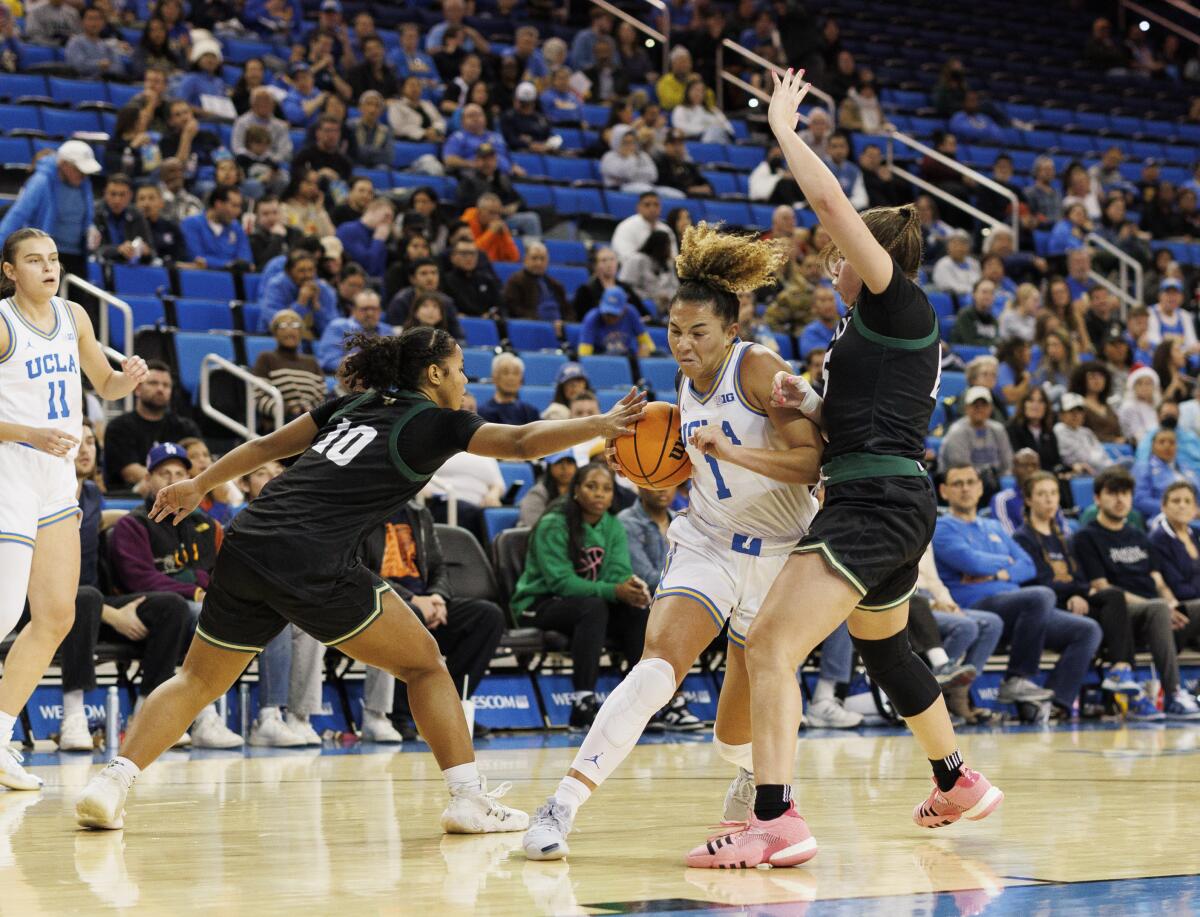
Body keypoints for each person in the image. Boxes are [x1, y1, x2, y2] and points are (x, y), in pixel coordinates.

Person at [74, 326, 646, 831]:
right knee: (424, 664)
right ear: (435, 373)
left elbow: (265, 447)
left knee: (196, 680)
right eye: (462, 370)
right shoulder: (436, 422)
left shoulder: (353, 404)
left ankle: (112, 782)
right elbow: (520, 443)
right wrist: (601, 424)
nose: (467, 378)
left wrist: (199, 486)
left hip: (250, 540)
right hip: (313, 554)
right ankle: (468, 800)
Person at [699, 69, 1000, 871]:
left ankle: (775, 818)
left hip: (872, 502)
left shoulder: (898, 302)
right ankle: (955, 777)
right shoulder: (863, 336)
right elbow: (854, 419)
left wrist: (786, 131)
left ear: (863, 257)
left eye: (837, 255)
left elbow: (833, 204)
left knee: (767, 646)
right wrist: (812, 397)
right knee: (887, 649)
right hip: (890, 495)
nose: (829, 261)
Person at [524, 221, 823, 862]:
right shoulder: (685, 384)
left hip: (778, 558)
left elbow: (809, 464)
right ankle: (560, 806)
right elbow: (696, 464)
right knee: (657, 670)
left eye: (698, 333)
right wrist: (643, 462)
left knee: (729, 737)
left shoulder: (761, 370)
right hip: (708, 541)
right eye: (673, 331)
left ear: (731, 331)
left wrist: (731, 448)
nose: (682, 345)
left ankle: (756, 781)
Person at [0, 230, 148, 787]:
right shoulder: (3, 321)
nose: (48, 268)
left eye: (54, 259)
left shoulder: (74, 316)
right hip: (9, 469)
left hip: (57, 478)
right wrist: (28, 434)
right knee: (3, 612)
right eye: (34, 260)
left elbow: (104, 385)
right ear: (10, 270)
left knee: (58, 615)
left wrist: (126, 380)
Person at [360, 502, 506, 741]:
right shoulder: (362, 513)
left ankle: (446, 708)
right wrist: (413, 599)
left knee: (488, 616)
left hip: (426, 603)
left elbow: (438, 566)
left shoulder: (419, 514)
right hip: (385, 602)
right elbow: (363, 570)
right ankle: (401, 715)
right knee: (408, 614)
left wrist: (437, 597)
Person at [1072, 467, 1200, 719]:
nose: (1120, 500)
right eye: (1112, 493)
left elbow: (1158, 580)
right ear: (1097, 498)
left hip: (1157, 610)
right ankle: (1173, 694)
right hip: (1121, 613)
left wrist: (1172, 603)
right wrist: (1160, 606)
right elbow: (1101, 586)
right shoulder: (1087, 537)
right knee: (1158, 609)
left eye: (1125, 494)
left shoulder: (1139, 536)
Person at [1014, 470, 1147, 704]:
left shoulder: (1064, 537)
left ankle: (1121, 670)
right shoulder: (1022, 538)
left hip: (1073, 600)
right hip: (1047, 606)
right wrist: (1074, 593)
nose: (1049, 499)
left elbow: (1080, 576)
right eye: (1042, 494)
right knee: (1096, 624)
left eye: (1054, 493)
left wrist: (1080, 592)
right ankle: (1063, 697)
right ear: (1028, 500)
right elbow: (1038, 580)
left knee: (1114, 598)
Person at [0, 142, 100, 280]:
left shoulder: (85, 184)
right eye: (78, 170)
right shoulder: (41, 181)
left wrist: (90, 228)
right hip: (46, 256)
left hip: (78, 255)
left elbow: (85, 216)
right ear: (64, 164)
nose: (83, 175)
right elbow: (18, 215)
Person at [102, 360, 201, 493]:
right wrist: (171, 483)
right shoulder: (119, 427)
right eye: (153, 383)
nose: (160, 389)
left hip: (181, 496)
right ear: (137, 389)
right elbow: (130, 472)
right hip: (131, 498)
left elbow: (197, 466)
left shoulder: (186, 427)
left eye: (166, 385)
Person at [1149, 481, 1200, 655]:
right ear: (1164, 506)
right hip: (1180, 608)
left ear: (1195, 509)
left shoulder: (1196, 534)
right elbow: (1174, 584)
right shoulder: (1158, 539)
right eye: (1176, 501)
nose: (1182, 506)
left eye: (1188, 501)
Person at [252, 310, 327, 428]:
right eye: (283, 325)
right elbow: (258, 396)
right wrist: (288, 410)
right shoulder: (266, 358)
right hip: (279, 424)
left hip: (311, 420)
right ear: (275, 333)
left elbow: (322, 397)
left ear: (301, 332)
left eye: (295, 325)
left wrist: (310, 412)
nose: (289, 330)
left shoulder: (312, 362)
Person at [938, 387, 1012, 501]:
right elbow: (961, 469)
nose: (980, 409)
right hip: (960, 484)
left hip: (992, 484)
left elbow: (1007, 464)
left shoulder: (998, 429)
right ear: (966, 408)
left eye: (984, 405)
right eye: (975, 405)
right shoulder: (957, 431)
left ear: (990, 408)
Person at [257, 249, 338, 339]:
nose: (307, 275)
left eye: (311, 270)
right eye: (301, 271)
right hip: (275, 340)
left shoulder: (323, 289)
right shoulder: (276, 286)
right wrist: (300, 303)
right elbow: (275, 323)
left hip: (314, 342)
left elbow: (332, 330)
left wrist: (316, 306)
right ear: (289, 272)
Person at [316, 289, 392, 373]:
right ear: (353, 310)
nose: (370, 313)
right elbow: (328, 361)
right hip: (347, 380)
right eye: (365, 309)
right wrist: (362, 367)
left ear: (380, 311)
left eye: (374, 309)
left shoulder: (387, 330)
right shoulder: (338, 327)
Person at [1134, 427, 1200, 520]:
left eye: (1172, 442)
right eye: (1162, 442)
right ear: (1152, 446)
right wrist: (1174, 509)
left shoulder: (1186, 467)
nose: (1167, 446)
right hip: (1164, 518)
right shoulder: (1143, 468)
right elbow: (1139, 501)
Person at [180, 187, 253, 269]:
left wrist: (210, 262)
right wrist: (230, 265)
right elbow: (196, 259)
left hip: (232, 280)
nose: (239, 211)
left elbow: (246, 262)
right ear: (218, 204)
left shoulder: (237, 228)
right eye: (234, 206)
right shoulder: (191, 224)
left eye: (240, 206)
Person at [502, 242, 569, 323]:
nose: (539, 263)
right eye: (534, 258)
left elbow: (567, 311)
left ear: (547, 261)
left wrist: (564, 325)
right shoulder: (515, 282)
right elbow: (513, 309)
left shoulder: (556, 285)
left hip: (559, 327)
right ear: (525, 260)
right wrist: (539, 320)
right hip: (533, 326)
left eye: (542, 259)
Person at [578, 287, 653, 358]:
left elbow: (647, 343)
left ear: (624, 309)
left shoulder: (631, 312)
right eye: (607, 313)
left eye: (614, 314)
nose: (609, 318)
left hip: (629, 359)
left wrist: (645, 351)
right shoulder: (592, 318)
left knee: (659, 353)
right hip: (602, 360)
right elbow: (584, 355)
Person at [618, 229, 679, 316]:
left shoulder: (667, 263)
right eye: (668, 245)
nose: (670, 249)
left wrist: (668, 296)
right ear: (659, 246)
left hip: (666, 307)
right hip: (641, 305)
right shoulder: (637, 260)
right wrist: (652, 297)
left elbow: (675, 287)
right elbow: (626, 286)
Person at [611, 192, 677, 264]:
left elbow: (673, 258)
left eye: (656, 205)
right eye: (647, 205)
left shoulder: (666, 230)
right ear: (638, 207)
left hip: (661, 272)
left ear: (660, 207)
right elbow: (624, 257)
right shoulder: (626, 227)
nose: (652, 209)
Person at [1055, 392, 1109, 476]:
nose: (1076, 415)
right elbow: (1080, 457)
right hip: (1079, 473)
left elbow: (1101, 452)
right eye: (1071, 411)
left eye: (1079, 411)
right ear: (1061, 414)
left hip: (1098, 469)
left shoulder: (1086, 432)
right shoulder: (1058, 431)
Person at [477, 353, 540, 426]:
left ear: (521, 380)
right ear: (495, 377)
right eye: (505, 373)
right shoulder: (482, 413)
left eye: (516, 373)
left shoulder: (531, 412)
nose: (511, 378)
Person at [519, 450, 578, 526]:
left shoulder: (580, 491)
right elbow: (534, 526)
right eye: (559, 462)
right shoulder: (538, 492)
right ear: (549, 467)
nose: (565, 468)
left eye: (569, 462)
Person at [1119, 366, 1161, 446]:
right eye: (1140, 383)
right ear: (1133, 386)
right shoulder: (1129, 407)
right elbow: (1138, 436)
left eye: (1148, 383)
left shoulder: (1155, 406)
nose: (1144, 387)